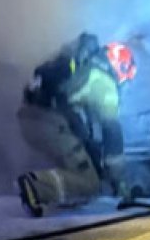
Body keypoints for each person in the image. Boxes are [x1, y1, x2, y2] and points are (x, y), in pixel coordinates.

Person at [16, 32, 129, 217]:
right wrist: (119, 181)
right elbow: (112, 131)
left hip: (30, 119)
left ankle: (64, 196)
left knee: (78, 167)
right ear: (121, 69)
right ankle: (35, 186)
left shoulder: (83, 69)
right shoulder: (104, 82)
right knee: (89, 182)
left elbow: (78, 117)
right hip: (49, 123)